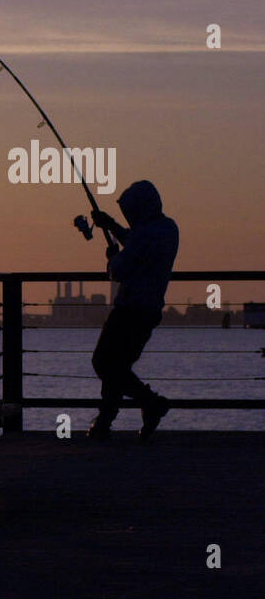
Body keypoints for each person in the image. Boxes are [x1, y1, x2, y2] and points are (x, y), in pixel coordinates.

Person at [88, 180, 179, 441]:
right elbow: (136, 240)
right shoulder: (168, 228)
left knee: (104, 363)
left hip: (129, 309)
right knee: (118, 366)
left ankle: (150, 403)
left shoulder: (144, 234)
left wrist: (111, 256)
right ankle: (104, 423)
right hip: (150, 310)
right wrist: (112, 226)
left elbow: (119, 270)